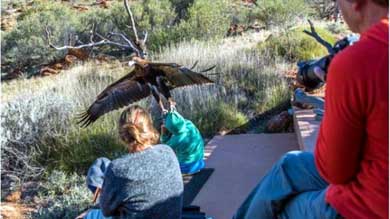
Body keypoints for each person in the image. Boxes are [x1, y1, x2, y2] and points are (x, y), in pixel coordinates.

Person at [233, 0, 388, 218]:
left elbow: (335, 171)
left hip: (369, 207)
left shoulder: (357, 62)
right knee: (289, 165)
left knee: (283, 208)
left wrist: (336, 90)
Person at [77, 105, 184, 219]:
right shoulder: (167, 151)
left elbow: (107, 211)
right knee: (103, 163)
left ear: (123, 135)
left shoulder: (117, 169)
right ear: (149, 128)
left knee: (91, 215)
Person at [160, 108, 205, 175]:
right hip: (200, 162)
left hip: (187, 168)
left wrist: (164, 134)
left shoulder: (177, 140)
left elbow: (164, 147)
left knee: (167, 158)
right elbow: (177, 121)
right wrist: (169, 115)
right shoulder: (189, 124)